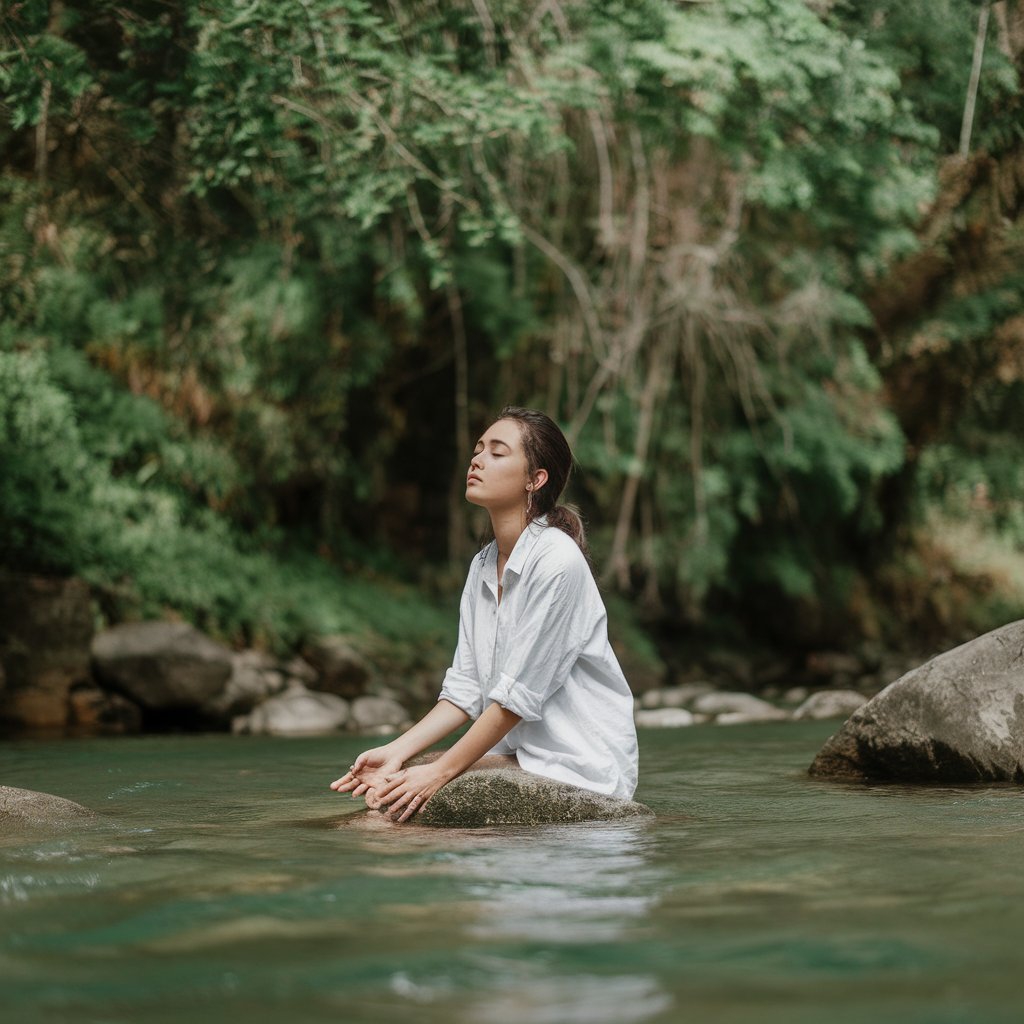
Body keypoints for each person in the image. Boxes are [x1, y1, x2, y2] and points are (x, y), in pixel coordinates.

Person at [329, 406, 639, 822]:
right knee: (389, 788)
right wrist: (395, 752)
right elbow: (465, 691)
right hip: (522, 757)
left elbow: (515, 701)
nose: (476, 460)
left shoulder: (557, 561)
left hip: (579, 765)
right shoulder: (483, 565)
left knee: (400, 806)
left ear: (536, 479)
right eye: (478, 450)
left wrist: (437, 772)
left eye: (497, 452)